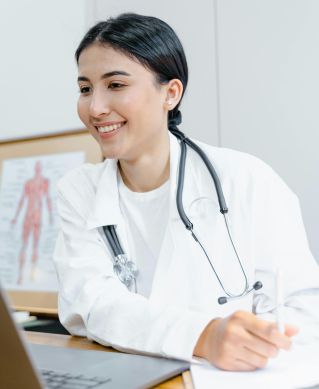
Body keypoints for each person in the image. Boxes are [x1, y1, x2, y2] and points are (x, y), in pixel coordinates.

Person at [53, 13, 319, 371]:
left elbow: (302, 310)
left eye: (115, 85)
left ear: (171, 93)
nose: (95, 107)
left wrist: (254, 343)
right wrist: (203, 336)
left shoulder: (246, 179)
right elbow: (91, 304)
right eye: (85, 89)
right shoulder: (78, 191)